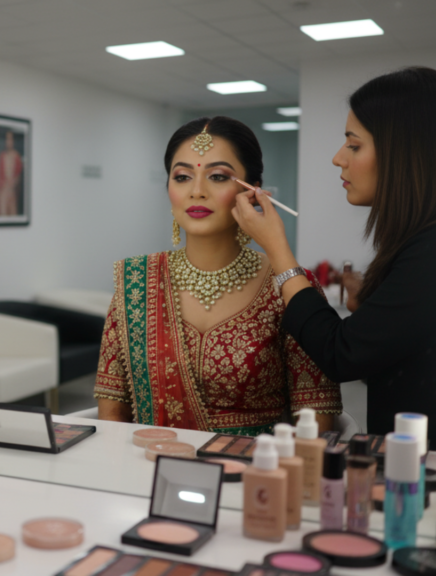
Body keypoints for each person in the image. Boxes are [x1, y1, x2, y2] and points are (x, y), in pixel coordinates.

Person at [233, 67, 436, 451]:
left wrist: (277, 249)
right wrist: (373, 310)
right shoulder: (434, 237)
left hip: (432, 465)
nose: (337, 159)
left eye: (354, 146)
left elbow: (340, 354)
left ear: (405, 153)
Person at [95, 117, 341, 435]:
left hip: (254, 474)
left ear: (252, 190)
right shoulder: (137, 284)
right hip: (152, 470)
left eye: (217, 176)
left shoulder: (289, 288)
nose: (197, 191)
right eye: (182, 176)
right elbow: (112, 415)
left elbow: (316, 423)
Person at [0, 130, 23, 216]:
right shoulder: (2, 156)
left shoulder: (16, 156)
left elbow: (18, 176)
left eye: (10, 139)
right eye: (7, 139)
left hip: (12, 192)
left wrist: (13, 183)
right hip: (3, 191)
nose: (8, 142)